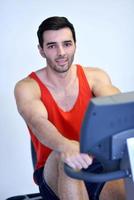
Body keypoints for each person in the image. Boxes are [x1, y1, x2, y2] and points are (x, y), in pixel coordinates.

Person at [14, 16, 125, 200]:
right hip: (54, 169)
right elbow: (37, 122)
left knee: (124, 167)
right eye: (52, 46)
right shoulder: (27, 87)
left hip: (96, 162)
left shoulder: (95, 77)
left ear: (74, 45)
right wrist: (66, 146)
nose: (61, 52)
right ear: (41, 50)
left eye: (66, 44)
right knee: (64, 158)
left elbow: (119, 107)